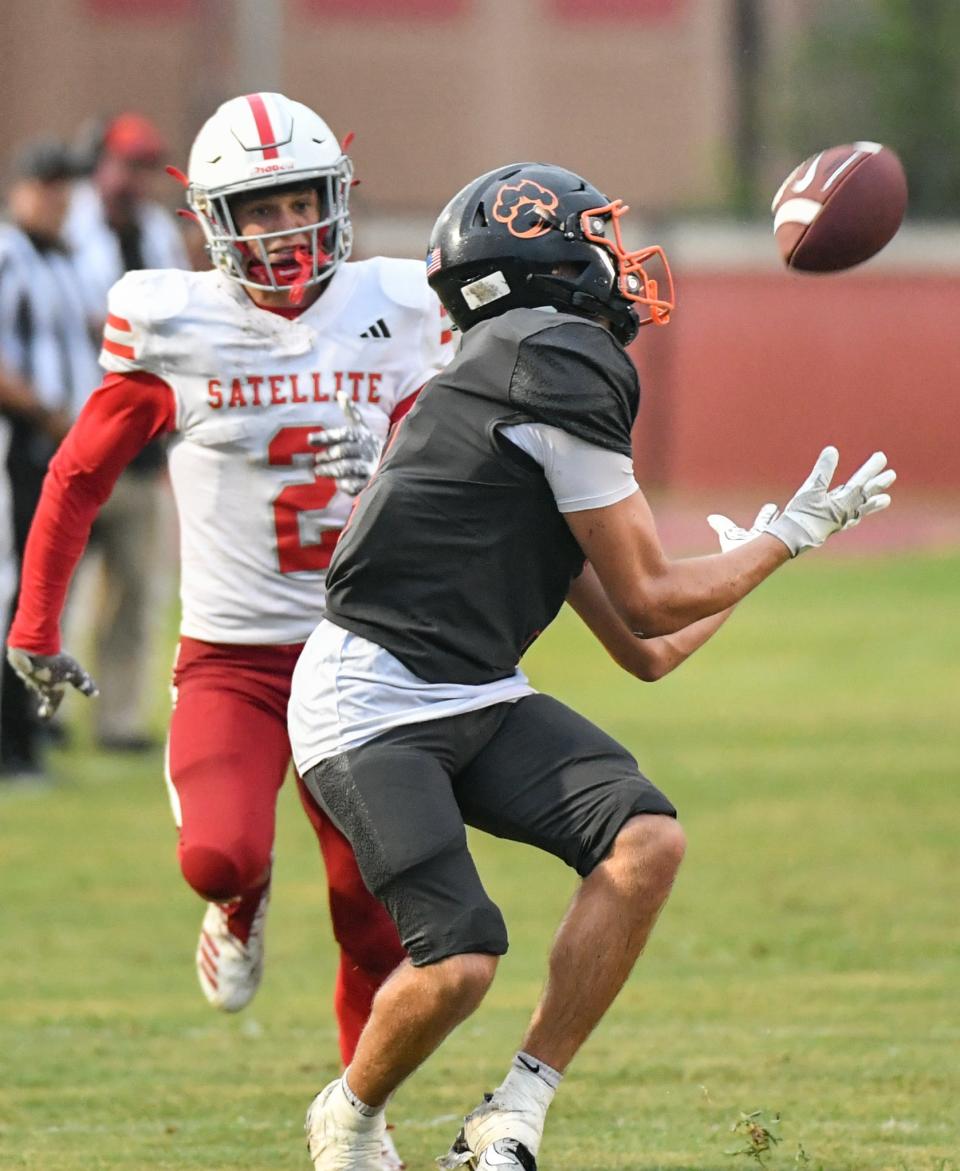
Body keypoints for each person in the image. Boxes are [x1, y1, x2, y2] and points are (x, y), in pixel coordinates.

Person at [284, 162, 897, 1171]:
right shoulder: (554, 356)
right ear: (543, 255)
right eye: (597, 234)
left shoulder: (510, 371)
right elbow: (656, 599)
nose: (617, 257)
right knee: (460, 962)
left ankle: (510, 1115)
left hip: (472, 687)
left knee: (644, 841)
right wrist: (782, 538)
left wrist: (752, 563)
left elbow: (643, 649)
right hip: (373, 702)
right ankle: (346, 1115)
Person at [6, 92, 455, 1168]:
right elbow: (77, 473)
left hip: (364, 660)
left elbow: (463, 461)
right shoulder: (178, 321)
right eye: (261, 209)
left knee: (372, 917)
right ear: (215, 221)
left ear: (337, 197)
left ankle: (359, 1118)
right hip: (236, 658)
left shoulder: (398, 305)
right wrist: (33, 617)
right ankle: (239, 908)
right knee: (218, 851)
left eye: (303, 201)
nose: (288, 228)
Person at [64, 111, 192, 751]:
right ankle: (46, 713)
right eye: (128, 164)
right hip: (76, 433)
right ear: (99, 162)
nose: (138, 179)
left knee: (136, 591)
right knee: (63, 584)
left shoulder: (153, 233)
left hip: (141, 445)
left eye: (147, 166)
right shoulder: (68, 226)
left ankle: (116, 719)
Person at [0, 139, 101, 779]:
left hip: (63, 449)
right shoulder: (9, 254)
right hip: (23, 446)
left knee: (48, 589)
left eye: (65, 187)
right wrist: (47, 410)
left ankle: (31, 731)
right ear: (20, 191)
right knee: (21, 586)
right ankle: (10, 740)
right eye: (47, 185)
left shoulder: (65, 259)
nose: (58, 199)